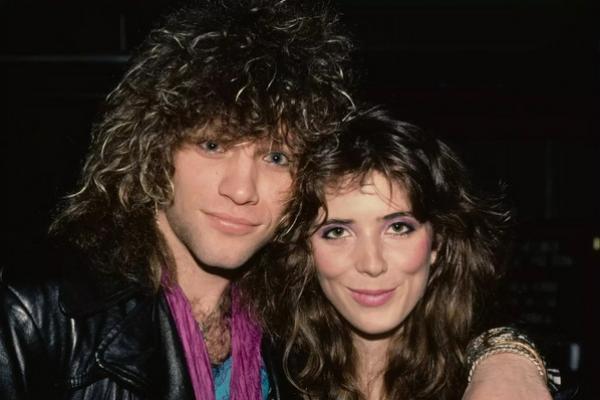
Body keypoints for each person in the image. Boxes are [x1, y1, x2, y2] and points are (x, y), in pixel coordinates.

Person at [0, 1, 555, 399]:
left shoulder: (287, 320)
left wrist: (506, 355)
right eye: (213, 144)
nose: (240, 190)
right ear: (153, 148)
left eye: (276, 158)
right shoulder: (41, 315)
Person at [261, 107, 559, 399]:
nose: (372, 263)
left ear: (437, 242)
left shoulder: (493, 383)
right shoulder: (264, 377)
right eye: (337, 232)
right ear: (304, 250)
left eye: (398, 228)